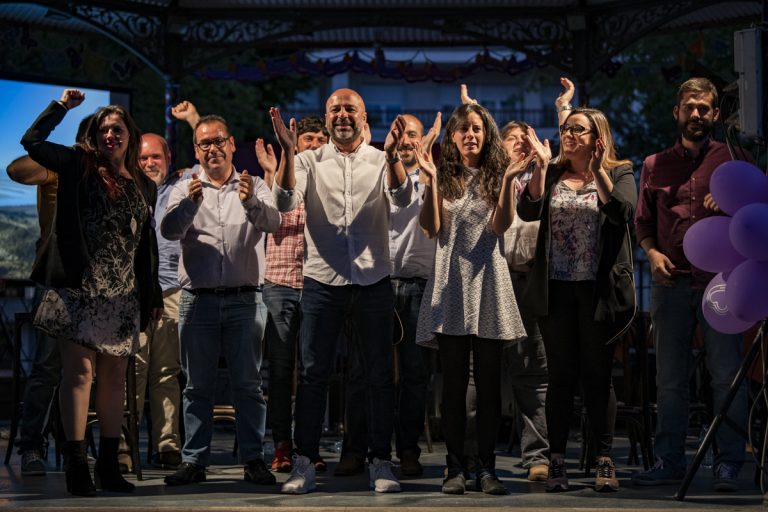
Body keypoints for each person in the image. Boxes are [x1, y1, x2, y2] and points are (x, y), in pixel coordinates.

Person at [269, 88, 412, 494]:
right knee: (313, 374)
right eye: (336, 109)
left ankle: (380, 461)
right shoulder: (307, 160)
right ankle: (304, 463)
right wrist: (287, 151)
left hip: (373, 281)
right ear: (326, 116)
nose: (343, 115)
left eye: (351, 109)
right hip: (321, 281)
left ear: (364, 118)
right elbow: (283, 202)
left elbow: (402, 199)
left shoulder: (381, 159)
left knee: (379, 376)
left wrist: (394, 156)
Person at [21, 89, 162, 496]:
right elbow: (32, 142)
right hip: (80, 290)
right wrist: (61, 107)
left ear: (130, 136)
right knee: (79, 375)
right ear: (94, 136)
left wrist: (150, 294)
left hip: (122, 294)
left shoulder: (142, 184)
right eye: (103, 130)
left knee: (114, 380)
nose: (110, 136)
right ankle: (76, 464)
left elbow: (144, 247)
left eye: (117, 129)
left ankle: (108, 466)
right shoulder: (78, 164)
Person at [631, 77, 748, 492]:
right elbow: (643, 222)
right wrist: (651, 253)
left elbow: (755, 220)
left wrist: (732, 206)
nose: (696, 114)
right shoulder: (654, 165)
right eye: (689, 107)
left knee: (726, 376)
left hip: (722, 283)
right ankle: (669, 461)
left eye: (704, 108)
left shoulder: (735, 161)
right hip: (671, 283)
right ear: (677, 112)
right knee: (670, 379)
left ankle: (729, 463)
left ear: (715, 114)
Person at [518, 106, 636, 493]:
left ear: (597, 138)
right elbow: (527, 209)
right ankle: (556, 460)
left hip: (598, 291)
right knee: (561, 378)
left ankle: (604, 458)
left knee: (598, 377)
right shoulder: (553, 172)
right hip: (556, 290)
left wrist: (598, 170)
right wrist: (539, 165)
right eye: (567, 129)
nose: (569, 135)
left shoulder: (620, 171)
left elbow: (621, 213)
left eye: (578, 130)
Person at [161, 114, 281, 487]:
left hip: (245, 300)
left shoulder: (253, 184)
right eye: (204, 144)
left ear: (231, 145)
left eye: (218, 141)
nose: (212, 149)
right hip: (198, 301)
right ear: (196, 150)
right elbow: (168, 230)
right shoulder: (184, 186)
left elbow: (273, 223)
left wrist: (250, 203)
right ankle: (194, 460)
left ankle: (253, 459)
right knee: (197, 386)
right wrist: (189, 205)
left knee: (248, 385)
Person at [414, 101, 528, 495]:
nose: (470, 135)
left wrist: (509, 180)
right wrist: (430, 180)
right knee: (454, 385)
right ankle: (455, 467)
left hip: (488, 284)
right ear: (453, 137)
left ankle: (487, 467)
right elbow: (431, 228)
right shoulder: (443, 176)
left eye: (477, 128)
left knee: (490, 385)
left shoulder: (498, 175)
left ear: (486, 134)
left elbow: (500, 225)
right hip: (451, 286)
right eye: (463, 129)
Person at [335, 112, 442, 478]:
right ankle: (355, 450)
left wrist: (430, 168)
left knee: (415, 373)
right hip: (373, 284)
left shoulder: (433, 178)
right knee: (363, 371)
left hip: (418, 285)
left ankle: (408, 450)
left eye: (413, 134)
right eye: (400, 133)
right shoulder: (376, 173)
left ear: (423, 140)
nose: (407, 139)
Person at [254, 116, 329, 474]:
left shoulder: (329, 180)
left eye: (320, 139)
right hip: (280, 281)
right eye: (308, 138)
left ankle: (308, 447)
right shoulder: (284, 176)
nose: (314, 144)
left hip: (317, 283)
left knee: (314, 370)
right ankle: (282, 445)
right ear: (297, 144)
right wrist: (273, 172)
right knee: (282, 371)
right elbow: (273, 219)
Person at [132, 133, 184, 469]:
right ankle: (124, 447)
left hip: (171, 291)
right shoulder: (127, 191)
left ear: (168, 158)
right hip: (135, 295)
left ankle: (167, 445)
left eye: (156, 157)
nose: (150, 163)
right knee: (133, 372)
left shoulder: (181, 187)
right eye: (143, 158)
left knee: (166, 372)